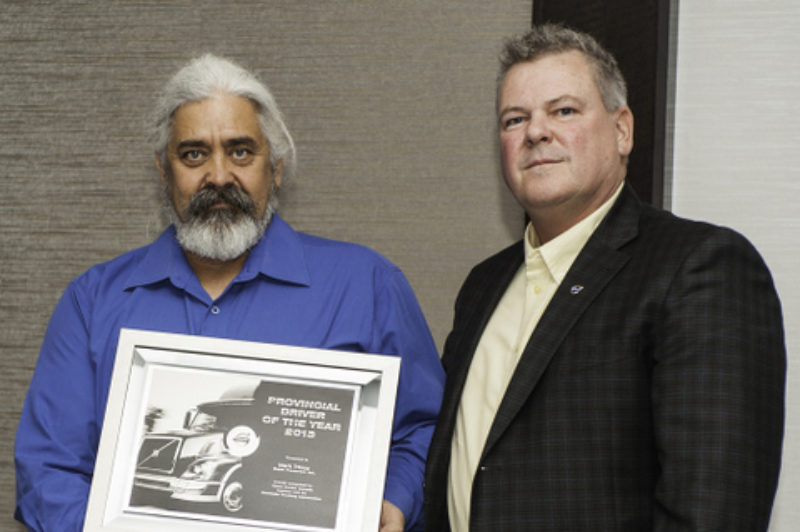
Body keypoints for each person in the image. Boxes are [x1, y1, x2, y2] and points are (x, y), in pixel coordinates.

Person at [14, 53, 444, 532]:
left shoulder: (367, 285)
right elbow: (48, 471)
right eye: (193, 154)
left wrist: (395, 501)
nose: (218, 177)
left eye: (240, 152)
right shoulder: (92, 302)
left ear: (275, 168)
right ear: (163, 172)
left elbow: (426, 428)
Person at [423, 23, 785, 532]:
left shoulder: (700, 267)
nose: (535, 132)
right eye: (515, 119)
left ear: (622, 131)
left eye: (563, 111)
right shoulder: (482, 286)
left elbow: (714, 510)